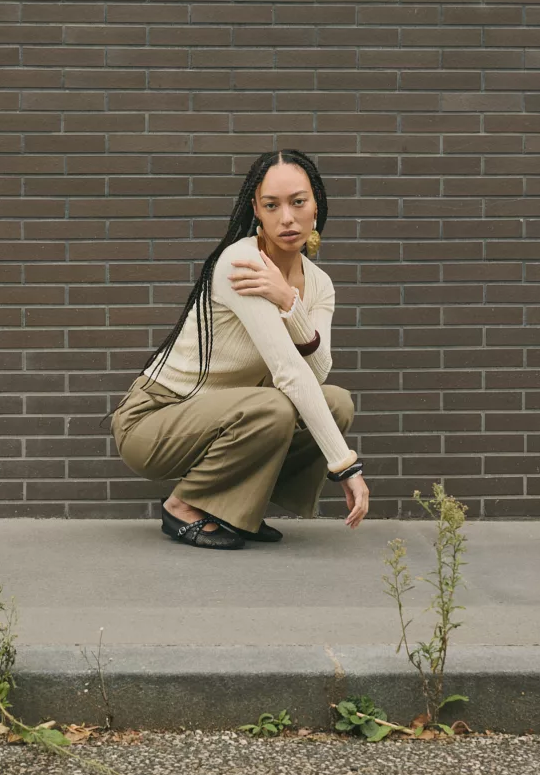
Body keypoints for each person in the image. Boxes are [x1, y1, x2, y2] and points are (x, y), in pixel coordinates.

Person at [101, 149, 371, 550]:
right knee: (275, 406)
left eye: (298, 202)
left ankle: (234, 507)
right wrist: (346, 467)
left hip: (223, 414)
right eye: (271, 205)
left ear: (317, 203)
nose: (287, 218)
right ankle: (183, 506)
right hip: (154, 420)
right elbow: (290, 374)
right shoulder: (243, 263)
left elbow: (317, 372)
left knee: (336, 403)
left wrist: (290, 305)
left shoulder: (319, 284)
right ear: (256, 210)